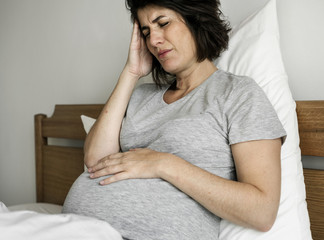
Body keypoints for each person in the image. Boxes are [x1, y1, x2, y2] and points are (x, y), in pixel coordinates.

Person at [62, 0, 287, 239]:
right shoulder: (141, 96)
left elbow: (262, 212)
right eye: (147, 32)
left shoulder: (238, 93)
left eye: (163, 23)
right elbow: (96, 160)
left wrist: (163, 164)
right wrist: (131, 73)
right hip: (76, 229)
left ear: (196, 19)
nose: (153, 41)